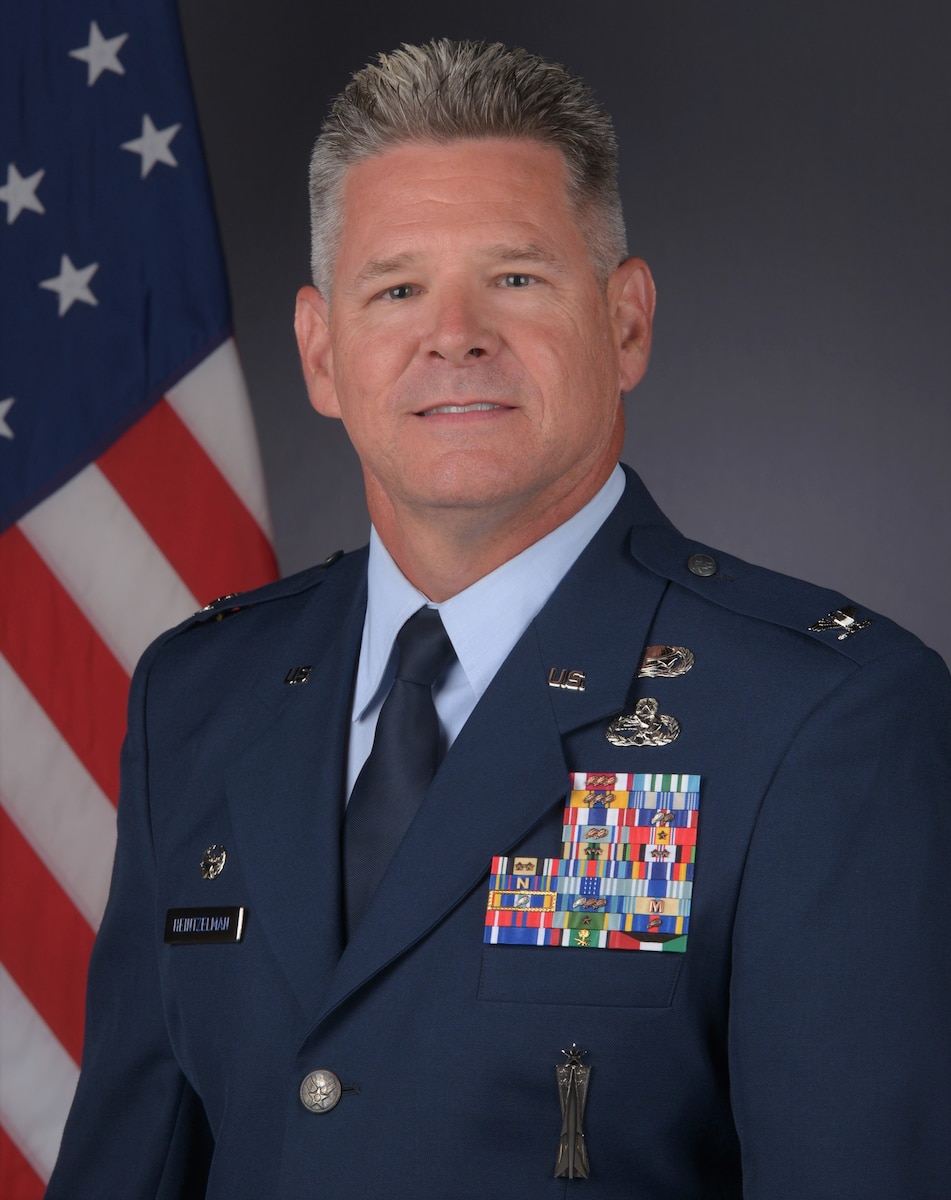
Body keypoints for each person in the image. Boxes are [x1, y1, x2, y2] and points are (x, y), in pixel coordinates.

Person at [47, 39, 951, 1199]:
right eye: (397, 288)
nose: (455, 333)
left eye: (517, 278)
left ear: (626, 324)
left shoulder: (825, 721)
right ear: (323, 354)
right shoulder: (199, 695)